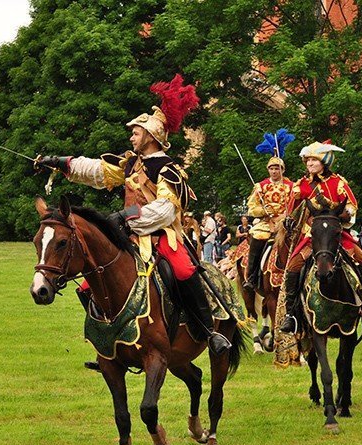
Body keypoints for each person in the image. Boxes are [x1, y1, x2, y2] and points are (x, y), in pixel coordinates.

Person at [34, 74, 231, 357]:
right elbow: (97, 171)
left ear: (151, 136)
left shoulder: (168, 169)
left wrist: (126, 216)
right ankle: (109, 341)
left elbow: (165, 209)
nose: (131, 136)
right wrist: (61, 162)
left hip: (163, 236)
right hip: (130, 236)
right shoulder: (130, 163)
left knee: (183, 271)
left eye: (136, 132)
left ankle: (207, 331)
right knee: (87, 284)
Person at [279, 141, 362, 333]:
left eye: (314, 160)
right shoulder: (302, 184)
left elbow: (352, 206)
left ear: (324, 162)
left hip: (336, 233)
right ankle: (292, 314)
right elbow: (292, 207)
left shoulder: (338, 183)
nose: (310, 164)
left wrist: (343, 214)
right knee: (293, 267)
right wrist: (289, 218)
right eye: (308, 160)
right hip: (311, 234)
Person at [242, 129, 295, 290]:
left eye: (277, 168)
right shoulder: (260, 187)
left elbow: (296, 205)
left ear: (282, 170)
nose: (274, 171)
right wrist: (264, 212)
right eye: (272, 168)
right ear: (268, 170)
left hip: (286, 224)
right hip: (266, 223)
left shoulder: (292, 187)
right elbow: (252, 208)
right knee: (257, 239)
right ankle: (251, 277)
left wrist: (285, 216)